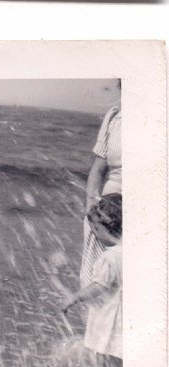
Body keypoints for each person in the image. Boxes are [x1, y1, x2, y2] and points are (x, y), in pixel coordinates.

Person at [63, 194, 122, 367]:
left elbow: (100, 286)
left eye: (95, 230)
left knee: (104, 356)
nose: (94, 235)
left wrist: (75, 297)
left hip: (110, 316)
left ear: (106, 228)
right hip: (126, 317)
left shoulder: (109, 257)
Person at [80, 102, 121, 288]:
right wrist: (92, 215)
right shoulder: (115, 115)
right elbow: (98, 169)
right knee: (95, 286)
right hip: (106, 216)